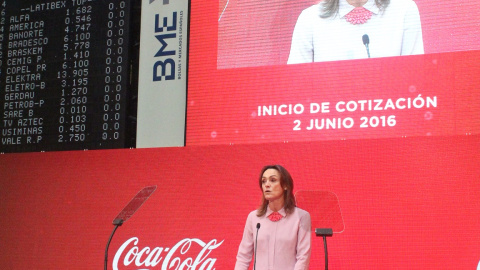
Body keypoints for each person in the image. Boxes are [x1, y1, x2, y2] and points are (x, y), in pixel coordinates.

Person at [287, 0, 424, 64]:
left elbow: (416, 76)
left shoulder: (404, 10)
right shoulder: (310, 18)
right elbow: (295, 83)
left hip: (391, 115)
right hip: (329, 117)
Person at [234, 165, 311, 270]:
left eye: (273, 180)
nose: (267, 185)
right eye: (263, 181)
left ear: (285, 185)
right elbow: (243, 257)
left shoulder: (301, 217)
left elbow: (303, 258)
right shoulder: (254, 218)